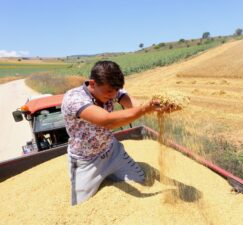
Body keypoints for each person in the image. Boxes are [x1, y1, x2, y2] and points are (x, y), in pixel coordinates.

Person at [61, 60, 167, 205]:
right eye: (109, 91)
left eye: (116, 91)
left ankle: (111, 173)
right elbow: (107, 121)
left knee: (141, 180)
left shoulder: (112, 90)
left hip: (112, 152)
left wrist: (157, 106)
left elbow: (134, 105)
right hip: (86, 161)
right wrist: (144, 110)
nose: (113, 95)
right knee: (81, 205)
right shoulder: (74, 99)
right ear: (92, 84)